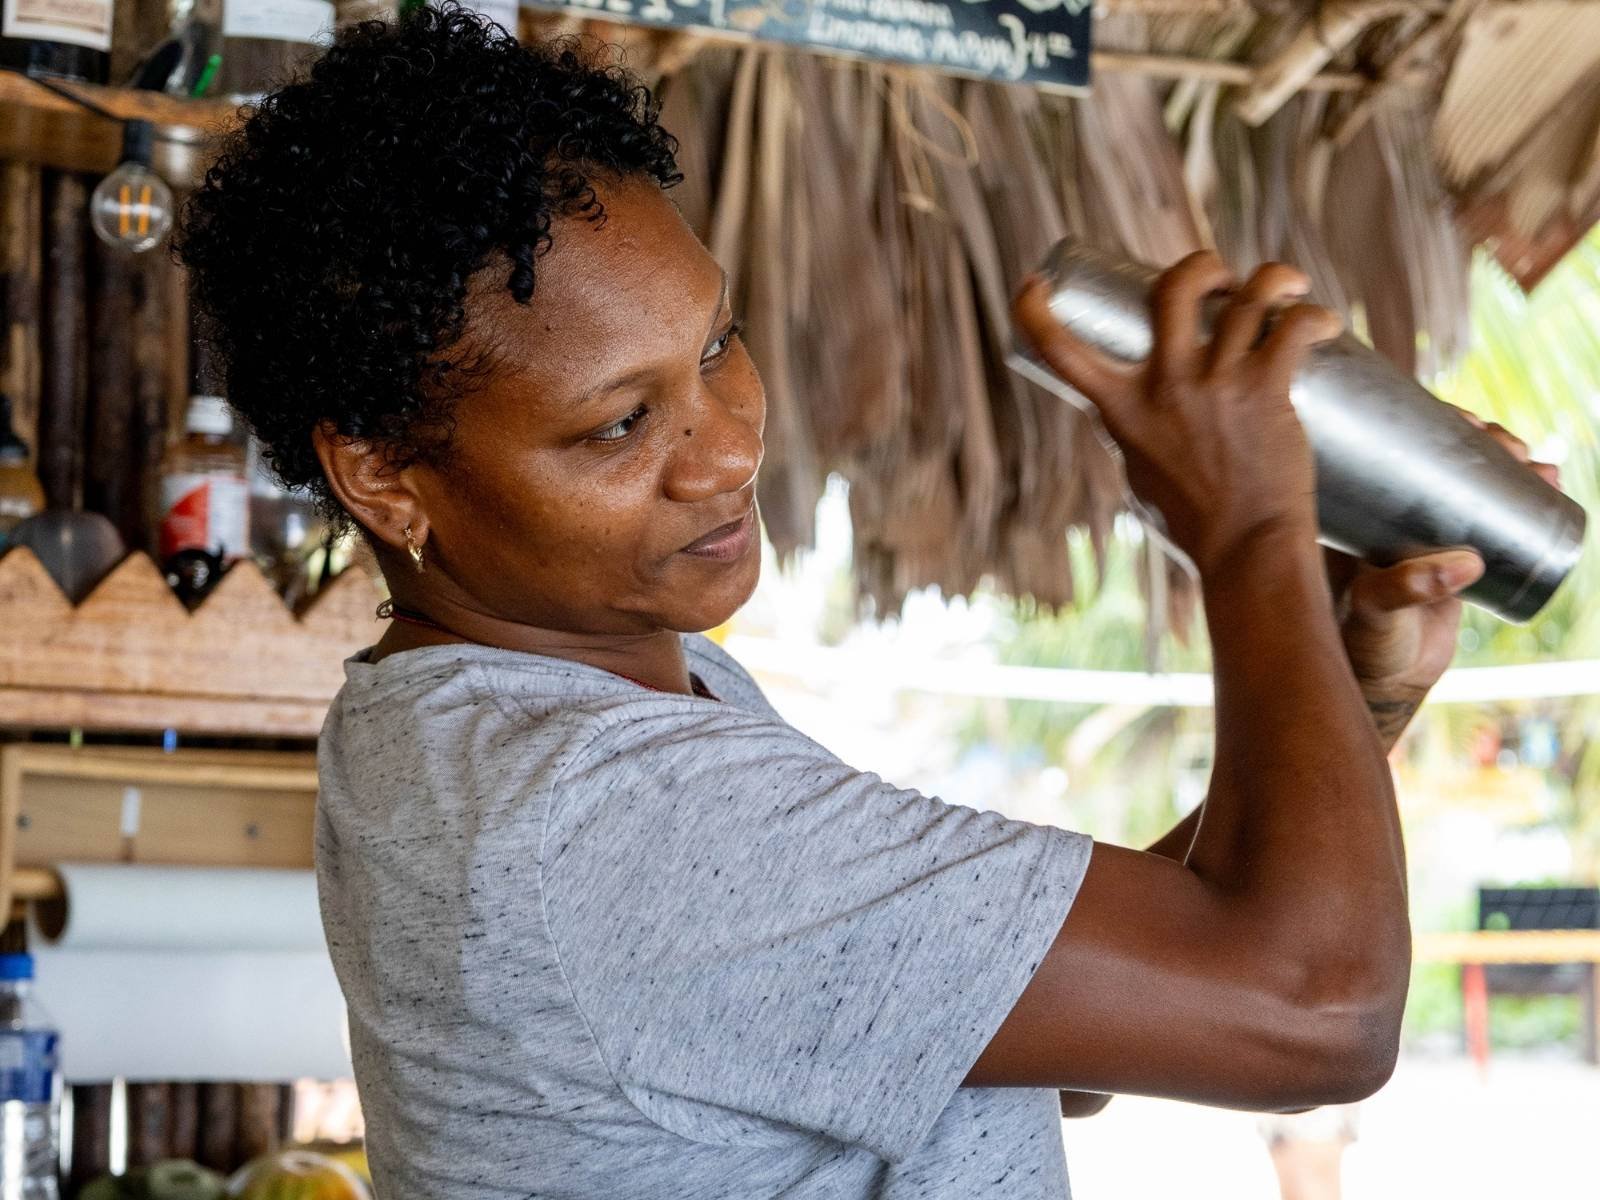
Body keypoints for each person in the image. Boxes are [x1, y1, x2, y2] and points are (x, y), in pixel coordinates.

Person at [171, 5, 1559, 1197]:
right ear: (384, 478)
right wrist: (1256, 528)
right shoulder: (593, 817)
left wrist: (1352, 674)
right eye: (617, 426)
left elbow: (1019, 1018)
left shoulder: (515, 716)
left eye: (718, 344)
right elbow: (1317, 1016)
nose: (725, 449)